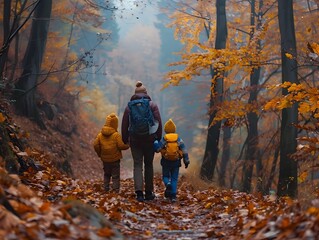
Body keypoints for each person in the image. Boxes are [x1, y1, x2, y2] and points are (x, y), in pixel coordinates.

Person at [122, 81, 162, 201]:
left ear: (135, 94)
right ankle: (149, 193)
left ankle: (139, 193)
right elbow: (158, 122)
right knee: (149, 165)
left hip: (135, 140)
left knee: (137, 165)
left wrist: (125, 139)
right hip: (149, 140)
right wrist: (157, 138)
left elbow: (125, 124)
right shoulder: (152, 105)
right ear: (145, 93)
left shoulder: (129, 106)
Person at [153, 118, 190, 202]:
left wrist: (155, 142)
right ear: (174, 129)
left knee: (165, 176)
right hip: (176, 162)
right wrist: (186, 161)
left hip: (166, 161)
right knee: (174, 178)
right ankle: (173, 196)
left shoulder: (165, 138)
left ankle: (167, 184)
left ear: (166, 130)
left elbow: (158, 149)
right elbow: (184, 150)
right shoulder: (178, 139)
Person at [94, 113, 129, 193]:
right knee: (115, 176)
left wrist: (100, 154)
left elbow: (95, 145)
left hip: (105, 160)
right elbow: (121, 146)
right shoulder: (116, 135)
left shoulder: (100, 135)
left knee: (106, 174)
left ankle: (106, 188)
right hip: (115, 160)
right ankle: (115, 190)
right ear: (115, 124)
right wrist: (127, 145)